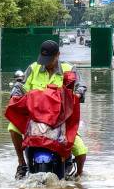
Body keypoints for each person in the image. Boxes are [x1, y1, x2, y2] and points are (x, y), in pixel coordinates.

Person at [9, 40, 88, 179]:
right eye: (43, 59)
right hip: (35, 118)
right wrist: (15, 94)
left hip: (60, 120)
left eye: (49, 59)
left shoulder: (68, 69)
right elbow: (21, 86)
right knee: (12, 127)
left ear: (58, 55)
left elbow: (80, 85)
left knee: (81, 151)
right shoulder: (34, 68)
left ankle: (79, 176)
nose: (45, 63)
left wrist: (78, 93)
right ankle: (22, 163)